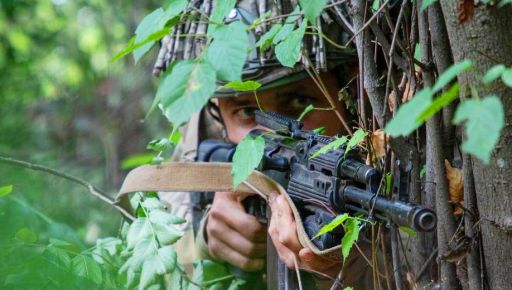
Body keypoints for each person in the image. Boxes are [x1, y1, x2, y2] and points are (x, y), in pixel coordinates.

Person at [152, 1, 382, 288]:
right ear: (218, 114)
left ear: (349, 97)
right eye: (248, 111)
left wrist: (352, 265)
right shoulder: (202, 133)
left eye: (299, 102)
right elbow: (162, 257)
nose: (269, 135)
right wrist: (207, 242)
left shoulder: (388, 146)